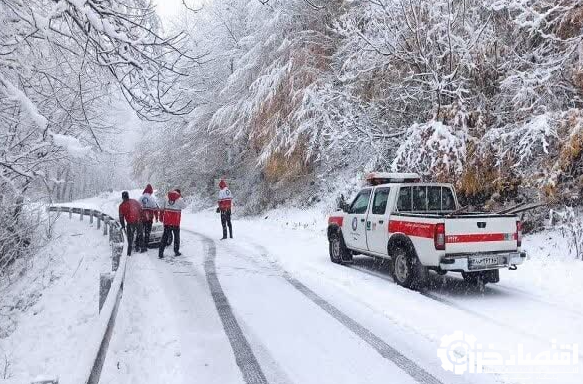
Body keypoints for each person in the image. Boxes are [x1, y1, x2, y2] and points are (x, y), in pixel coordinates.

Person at [158, 189, 186, 258]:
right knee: (176, 237)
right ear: (179, 194)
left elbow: (161, 208)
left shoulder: (166, 198)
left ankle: (161, 252)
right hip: (175, 222)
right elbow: (184, 207)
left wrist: (161, 217)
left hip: (167, 222)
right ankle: (176, 251)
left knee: (164, 237)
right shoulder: (180, 199)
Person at [118, 191, 144, 256]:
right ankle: (141, 248)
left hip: (130, 223)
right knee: (140, 235)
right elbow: (141, 209)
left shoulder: (121, 206)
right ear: (128, 196)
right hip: (138, 221)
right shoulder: (134, 201)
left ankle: (129, 252)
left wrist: (123, 225)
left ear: (122, 197)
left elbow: (121, 217)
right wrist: (140, 218)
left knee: (130, 238)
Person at [139, 184, 159, 251]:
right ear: (151, 191)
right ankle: (146, 244)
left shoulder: (140, 198)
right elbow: (155, 209)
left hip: (141, 218)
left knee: (141, 231)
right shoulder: (151, 198)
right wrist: (156, 217)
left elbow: (137, 208)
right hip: (149, 218)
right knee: (147, 232)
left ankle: (140, 244)